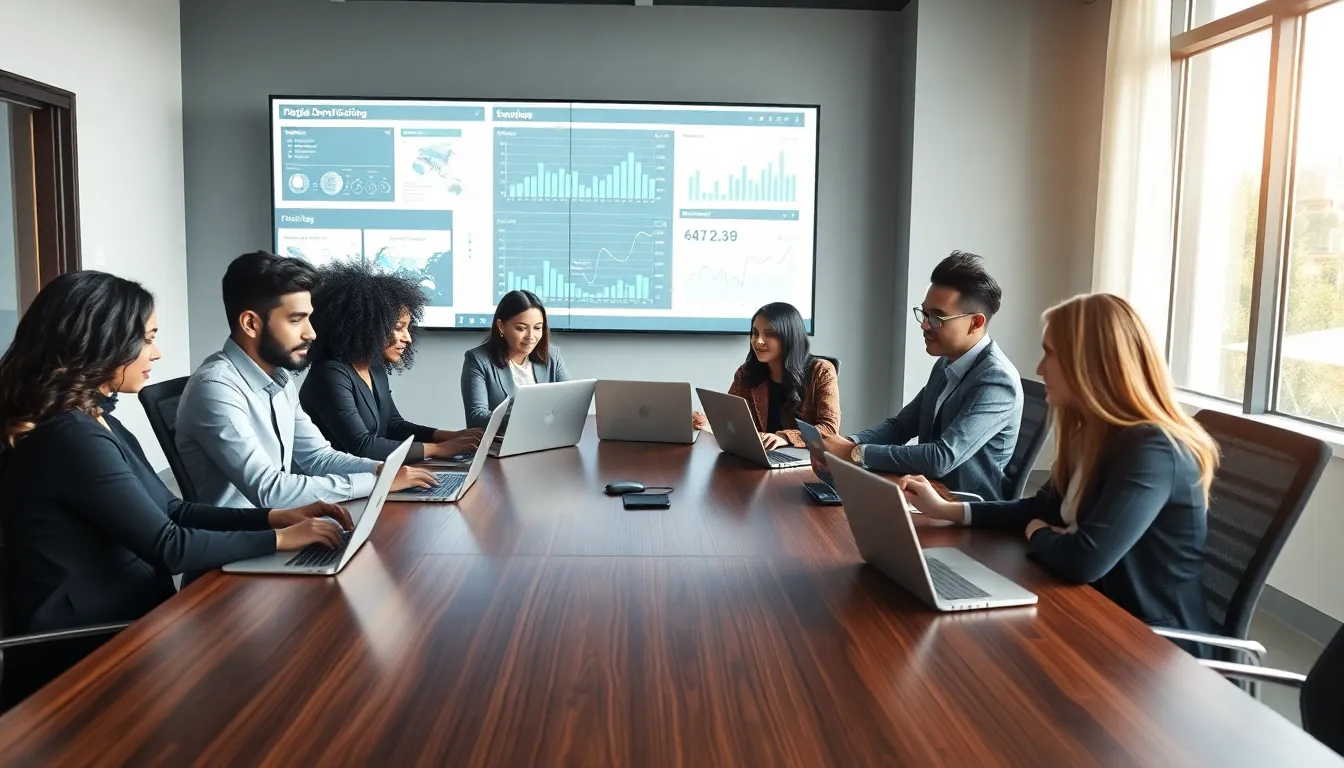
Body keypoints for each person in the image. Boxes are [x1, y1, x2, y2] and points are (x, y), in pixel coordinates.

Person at [0, 272, 351, 707]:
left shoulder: (96, 418)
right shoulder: (70, 436)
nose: (157, 352)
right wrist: (279, 539)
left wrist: (272, 517)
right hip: (92, 648)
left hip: (139, 620)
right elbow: (169, 546)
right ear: (102, 341)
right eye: (147, 339)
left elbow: (174, 510)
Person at [899, 293, 1219, 646]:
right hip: (1095, 615)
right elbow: (1040, 509)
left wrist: (1037, 532)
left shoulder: (1153, 448)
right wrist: (946, 510)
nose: (1039, 368)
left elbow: (1083, 560)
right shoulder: (1092, 435)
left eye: (1050, 353)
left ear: (1089, 362)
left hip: (1155, 647)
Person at [176, 252, 436, 509]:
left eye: (309, 318)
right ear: (250, 324)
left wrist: (383, 470)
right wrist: (377, 482)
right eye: (296, 320)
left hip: (288, 522)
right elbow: (269, 490)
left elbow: (317, 457)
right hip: (247, 541)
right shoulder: (215, 389)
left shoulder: (279, 378)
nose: (311, 333)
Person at [817, 251, 1022, 501]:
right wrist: (845, 443)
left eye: (936, 317)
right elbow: (902, 426)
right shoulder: (947, 363)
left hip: (964, 508)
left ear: (975, 322)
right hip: (925, 492)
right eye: (924, 314)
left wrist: (856, 453)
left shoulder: (996, 380)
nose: (924, 325)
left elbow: (941, 458)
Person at [300, 260, 483, 463]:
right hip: (339, 486)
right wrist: (438, 449)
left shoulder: (374, 366)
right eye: (398, 327)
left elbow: (393, 426)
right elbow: (362, 446)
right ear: (366, 325)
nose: (408, 337)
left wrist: (447, 436)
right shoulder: (330, 373)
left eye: (407, 327)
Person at [692, 302, 840, 449]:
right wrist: (710, 424)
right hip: (761, 455)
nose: (758, 341)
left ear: (789, 337)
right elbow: (732, 420)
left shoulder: (821, 371)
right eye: (755, 333)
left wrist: (785, 437)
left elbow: (830, 429)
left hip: (807, 461)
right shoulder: (747, 373)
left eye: (769, 334)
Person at [460, 289, 571, 429]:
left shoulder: (552, 355)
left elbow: (569, 401)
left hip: (546, 439)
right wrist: (529, 416)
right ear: (501, 326)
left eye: (537, 328)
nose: (531, 336)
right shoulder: (478, 360)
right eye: (521, 328)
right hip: (500, 446)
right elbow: (476, 417)